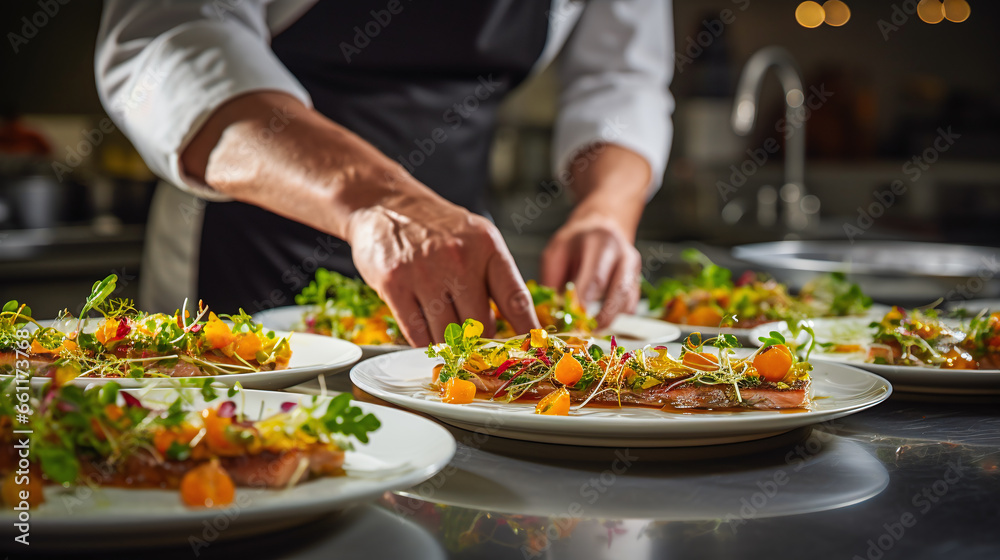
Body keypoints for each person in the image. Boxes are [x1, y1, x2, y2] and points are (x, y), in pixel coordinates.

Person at [95, 0, 673, 346]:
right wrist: (381, 204)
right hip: (245, 257)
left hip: (459, 269)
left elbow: (622, 78)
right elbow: (167, 39)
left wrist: (606, 211)